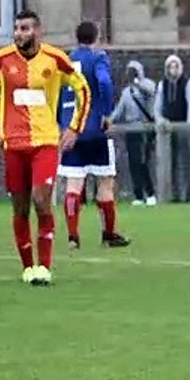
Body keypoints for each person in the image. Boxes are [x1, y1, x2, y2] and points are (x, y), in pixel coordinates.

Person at [0, 9, 91, 286]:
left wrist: (74, 128)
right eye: (17, 28)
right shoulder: (2, 60)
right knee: (19, 208)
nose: (20, 34)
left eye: (26, 29)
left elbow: (83, 90)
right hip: (14, 144)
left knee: (41, 200)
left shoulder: (55, 59)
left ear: (38, 31)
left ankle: (44, 266)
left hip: (44, 141)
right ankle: (27, 267)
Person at [57, 21, 130, 251]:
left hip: (71, 131)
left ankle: (72, 237)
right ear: (96, 37)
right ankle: (108, 234)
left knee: (73, 184)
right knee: (105, 182)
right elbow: (105, 82)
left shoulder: (66, 60)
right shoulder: (98, 58)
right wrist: (106, 113)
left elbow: (57, 92)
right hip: (94, 129)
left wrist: (62, 122)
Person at [111, 60, 158, 206]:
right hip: (131, 129)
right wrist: (108, 120)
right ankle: (138, 195)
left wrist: (138, 82)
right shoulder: (126, 92)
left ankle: (150, 193)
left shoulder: (148, 85)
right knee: (133, 163)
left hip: (144, 128)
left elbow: (151, 94)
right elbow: (119, 111)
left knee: (143, 161)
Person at [155, 54, 190, 202]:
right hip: (168, 130)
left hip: (183, 128)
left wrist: (188, 127)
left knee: (186, 162)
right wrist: (161, 121)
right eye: (170, 67)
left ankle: (188, 194)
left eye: (175, 66)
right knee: (170, 163)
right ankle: (173, 194)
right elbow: (158, 107)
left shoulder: (188, 84)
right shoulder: (163, 85)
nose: (173, 70)